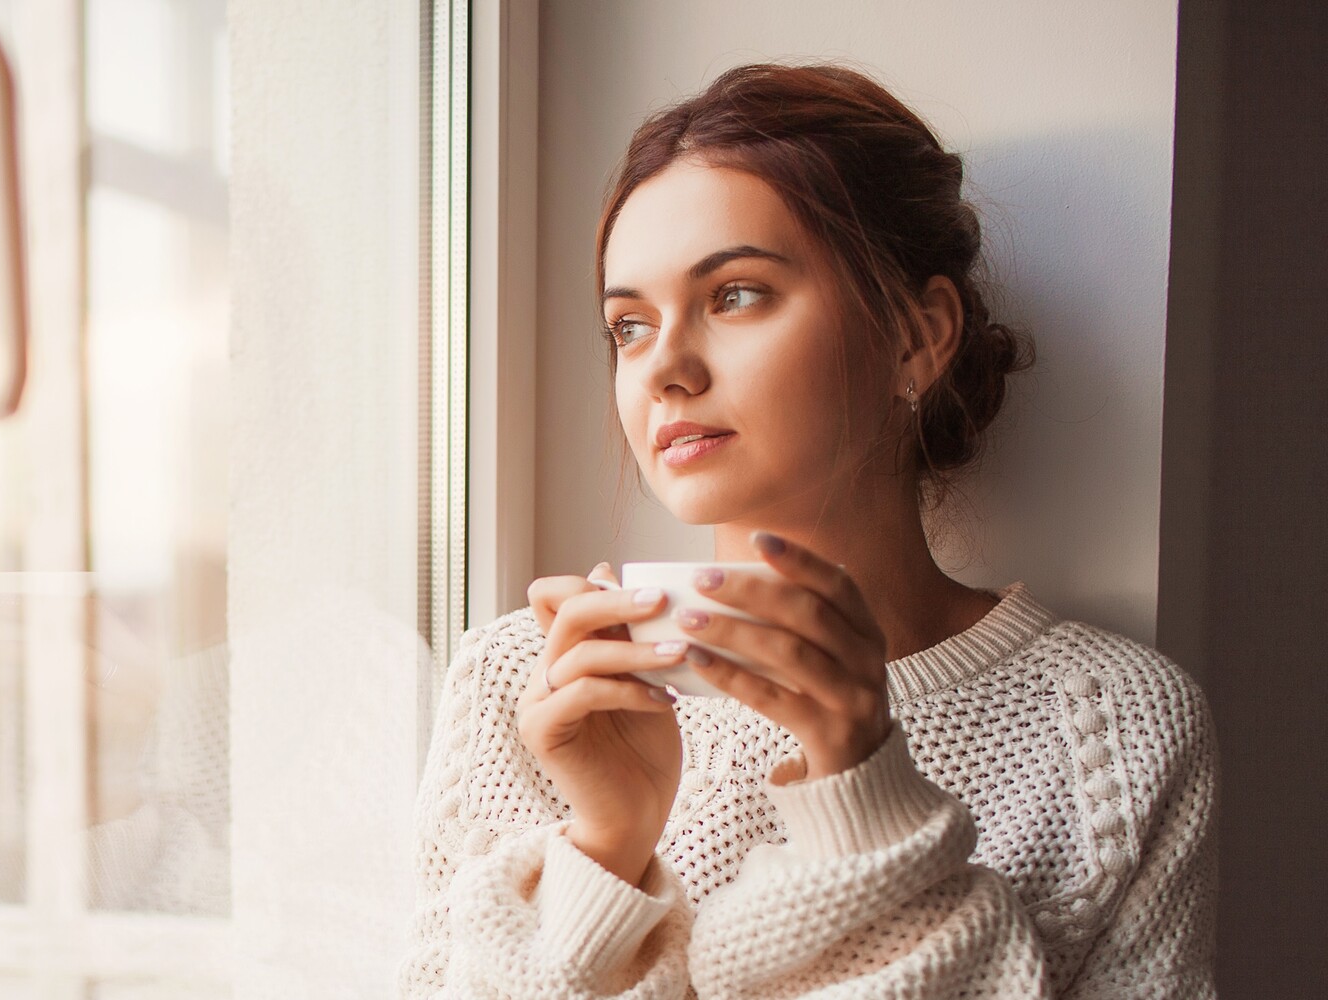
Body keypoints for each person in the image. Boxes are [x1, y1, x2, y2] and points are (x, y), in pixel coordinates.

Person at [398, 63, 1217, 998]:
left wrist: (864, 804)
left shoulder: (1113, 727)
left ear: (916, 337)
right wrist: (605, 851)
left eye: (735, 294)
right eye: (628, 324)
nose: (663, 366)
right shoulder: (530, 685)